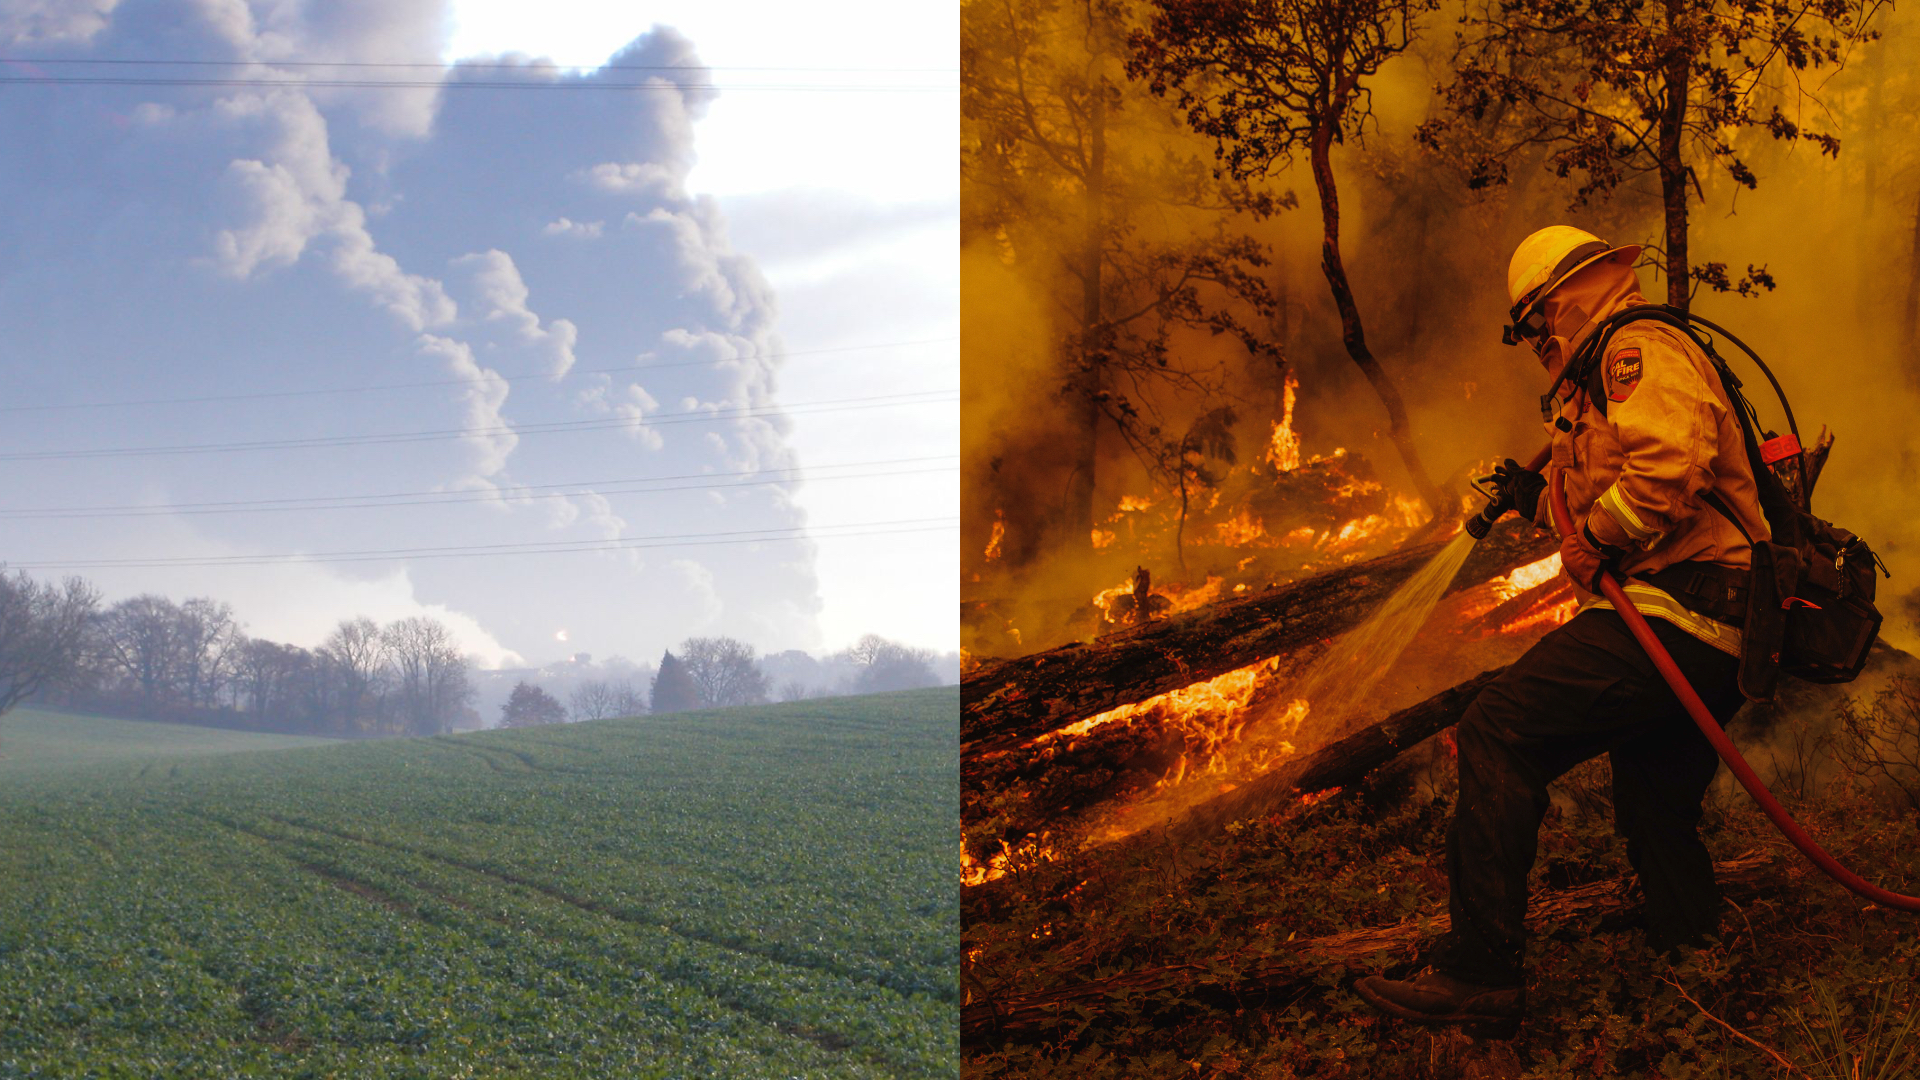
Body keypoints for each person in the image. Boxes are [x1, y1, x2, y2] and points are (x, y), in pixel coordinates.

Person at [1353, 226, 1770, 1036]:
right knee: (1654, 807)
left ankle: (1481, 975)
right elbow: (1601, 509)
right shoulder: (1592, 384)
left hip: (1680, 617)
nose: (1537, 338)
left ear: (1567, 294)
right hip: (1707, 627)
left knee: (1499, 730)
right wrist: (1535, 503)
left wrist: (1595, 539)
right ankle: (1702, 987)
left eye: (1537, 318)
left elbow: (1662, 479)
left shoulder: (1635, 349)